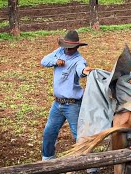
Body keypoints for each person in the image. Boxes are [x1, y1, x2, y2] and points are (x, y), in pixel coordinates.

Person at [40, 30, 93, 160]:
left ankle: (92, 168)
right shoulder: (59, 52)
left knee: (79, 136)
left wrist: (85, 71)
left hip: (72, 105)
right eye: (66, 48)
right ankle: (47, 159)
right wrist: (55, 61)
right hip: (57, 103)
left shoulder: (79, 60)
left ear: (76, 47)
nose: (68, 50)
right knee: (49, 132)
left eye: (71, 48)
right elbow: (44, 60)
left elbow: (81, 69)